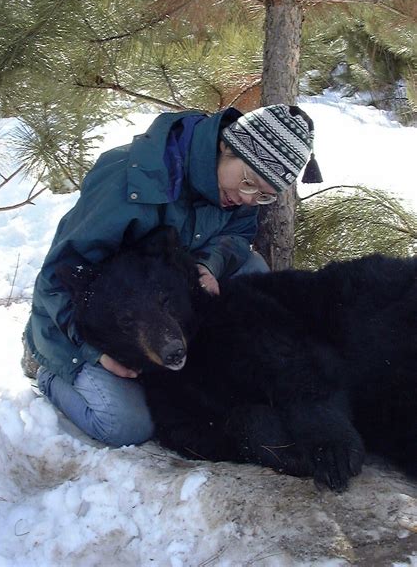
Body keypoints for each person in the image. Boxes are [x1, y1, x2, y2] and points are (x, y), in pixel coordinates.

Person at [22, 104, 321, 447]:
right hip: (85, 322)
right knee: (126, 424)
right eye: (247, 182)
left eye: (264, 195)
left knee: (252, 271)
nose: (247, 198)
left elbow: (239, 233)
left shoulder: (233, 188)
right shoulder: (130, 181)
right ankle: (47, 369)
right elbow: (60, 276)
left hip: (164, 301)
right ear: (227, 146)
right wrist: (89, 353)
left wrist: (210, 264)